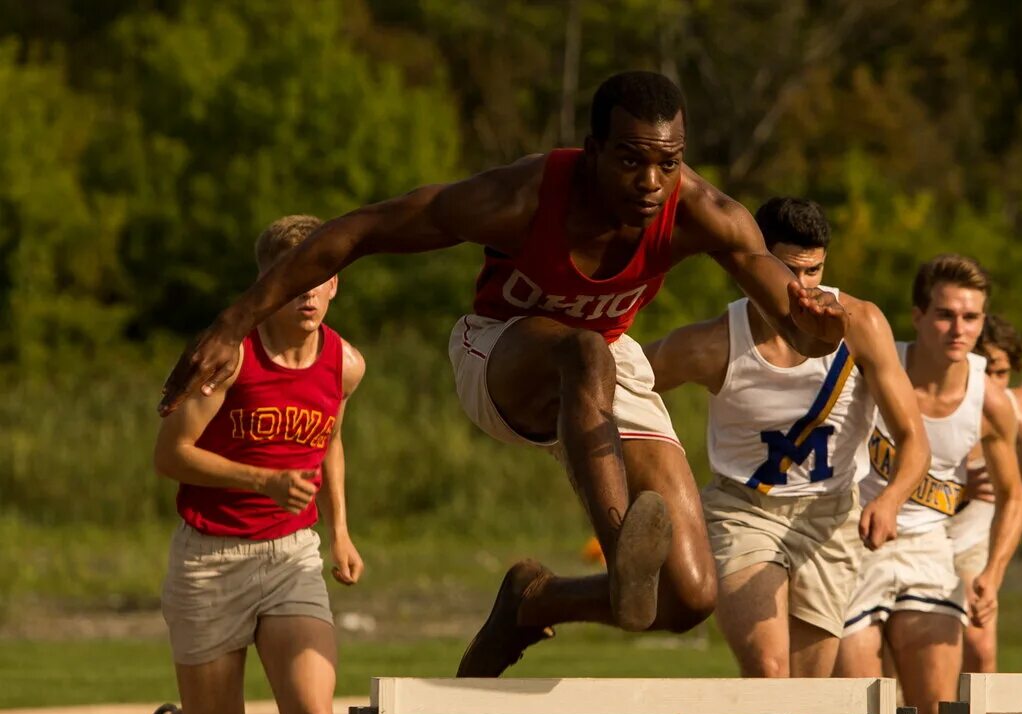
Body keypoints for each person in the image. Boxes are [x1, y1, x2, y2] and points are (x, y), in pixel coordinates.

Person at [157, 71, 849, 682]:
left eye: (667, 163)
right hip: (498, 357)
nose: (649, 182)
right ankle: (622, 560)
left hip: (607, 368)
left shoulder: (704, 213)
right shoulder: (523, 195)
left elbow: (781, 296)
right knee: (583, 353)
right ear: (592, 150)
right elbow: (364, 229)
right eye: (631, 161)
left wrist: (814, 324)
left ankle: (534, 601)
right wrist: (236, 320)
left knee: (688, 598)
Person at [642, 196, 930, 714]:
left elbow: (913, 438)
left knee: (801, 708)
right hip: (742, 515)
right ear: (753, 269)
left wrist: (893, 496)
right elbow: (620, 389)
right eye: (788, 273)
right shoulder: (711, 344)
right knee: (768, 677)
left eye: (815, 272)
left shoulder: (859, 324)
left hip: (832, 523)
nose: (805, 290)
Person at [134, 215, 367, 714]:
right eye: (293, 278)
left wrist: (339, 531)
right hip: (209, 560)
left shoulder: (346, 362)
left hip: (289, 557)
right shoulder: (228, 359)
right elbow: (170, 454)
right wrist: (264, 477)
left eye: (322, 275)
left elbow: (329, 439)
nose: (310, 292)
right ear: (267, 286)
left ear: (335, 281)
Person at [807, 255, 1022, 714]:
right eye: (946, 314)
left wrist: (992, 574)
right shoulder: (876, 364)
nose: (959, 329)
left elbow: (1016, 496)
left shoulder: (989, 396)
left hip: (929, 552)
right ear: (918, 316)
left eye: (972, 317)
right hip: (855, 544)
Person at [947, 314, 1022, 674]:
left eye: (1001, 373)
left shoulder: (1012, 409)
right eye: (982, 371)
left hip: (972, 541)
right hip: (923, 537)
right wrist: (957, 490)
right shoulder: (940, 404)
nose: (991, 384)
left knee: (980, 646)